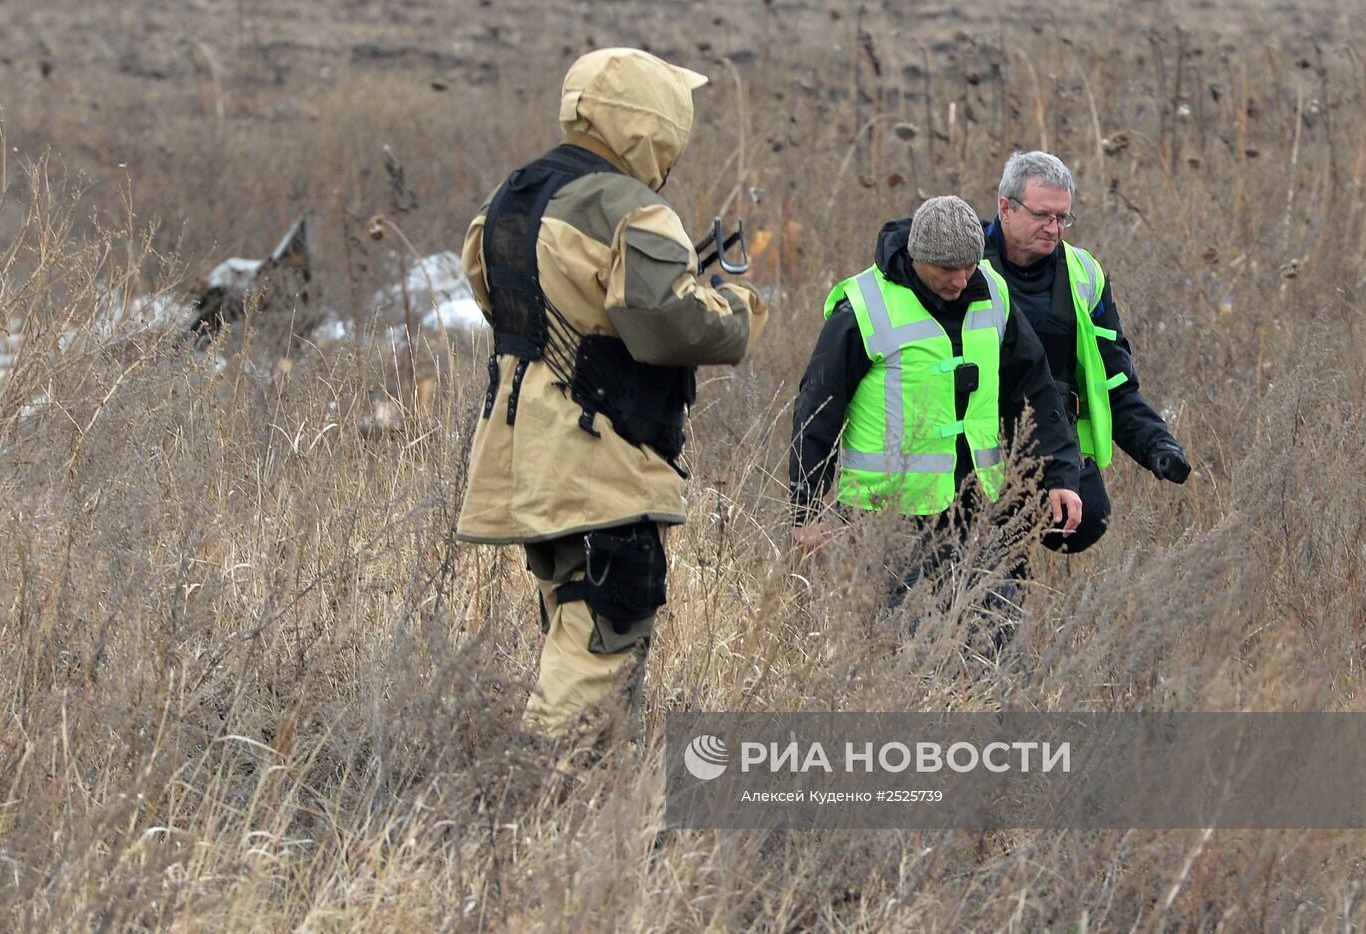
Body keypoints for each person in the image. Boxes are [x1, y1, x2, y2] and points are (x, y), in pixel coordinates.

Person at [457, 48, 769, 743]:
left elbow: (493, 297)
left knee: (576, 622)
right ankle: (542, 799)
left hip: (523, 461)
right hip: (602, 468)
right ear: (654, 122)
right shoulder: (631, 208)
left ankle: (591, 807)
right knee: (603, 635)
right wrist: (740, 306)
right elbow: (668, 327)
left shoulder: (510, 194)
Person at [789, 196, 1082, 613]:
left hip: (978, 509)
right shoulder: (865, 306)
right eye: (947, 270)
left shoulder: (993, 293)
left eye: (969, 267)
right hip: (885, 518)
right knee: (901, 648)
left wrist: (1061, 472)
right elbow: (818, 406)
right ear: (916, 258)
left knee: (995, 635)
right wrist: (806, 509)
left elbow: (1033, 387)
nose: (961, 281)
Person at [984, 151, 1190, 553]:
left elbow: (1114, 381)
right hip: (981, 440)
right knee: (990, 566)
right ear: (1005, 208)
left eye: (1063, 218)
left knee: (1089, 518)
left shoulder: (1085, 274)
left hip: (1054, 437)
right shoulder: (965, 268)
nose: (1054, 228)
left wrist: (1157, 445)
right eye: (1043, 215)